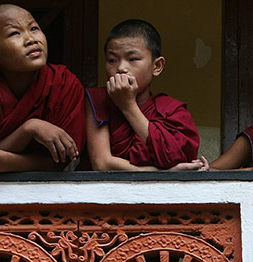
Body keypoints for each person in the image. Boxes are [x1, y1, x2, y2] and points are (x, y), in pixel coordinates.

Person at [0, 4, 85, 172]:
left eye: (34, 28)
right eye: (15, 33)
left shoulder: (65, 83)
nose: (31, 39)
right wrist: (29, 129)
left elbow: (61, 162)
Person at [85, 19, 207, 171]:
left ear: (157, 66)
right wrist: (163, 173)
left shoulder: (173, 112)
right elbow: (102, 164)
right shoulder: (97, 100)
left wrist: (128, 106)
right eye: (112, 60)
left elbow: (177, 157)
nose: (121, 68)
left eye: (132, 59)